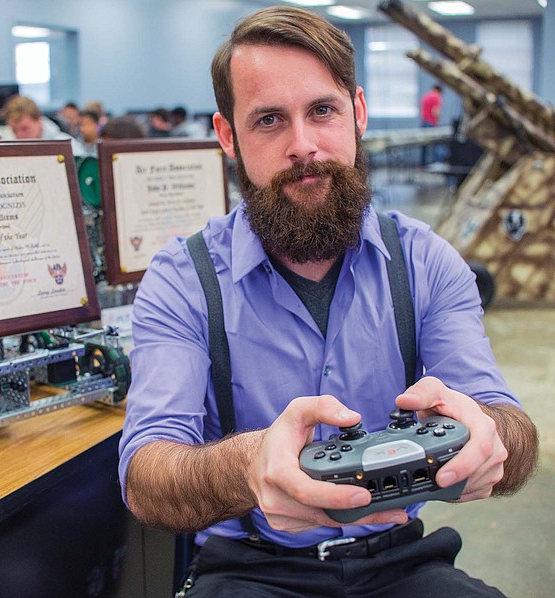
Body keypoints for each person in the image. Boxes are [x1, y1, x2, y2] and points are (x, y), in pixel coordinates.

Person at [119, 6, 538, 597]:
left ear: (358, 113)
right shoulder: (183, 281)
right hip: (252, 567)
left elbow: (509, 425)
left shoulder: (425, 262)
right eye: (269, 120)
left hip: (401, 562)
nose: (304, 145)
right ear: (227, 137)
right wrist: (249, 464)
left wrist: (494, 435)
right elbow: (145, 476)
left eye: (323, 110)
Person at [0, 94, 85, 156]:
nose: (19, 136)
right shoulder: (9, 150)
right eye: (14, 130)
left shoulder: (69, 147)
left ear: (39, 121)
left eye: (24, 129)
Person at [420, 84, 443, 165]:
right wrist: (438, 119)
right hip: (431, 123)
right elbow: (435, 111)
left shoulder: (426, 96)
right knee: (436, 144)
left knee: (424, 145)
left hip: (424, 122)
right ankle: (437, 163)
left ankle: (423, 164)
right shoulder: (436, 97)